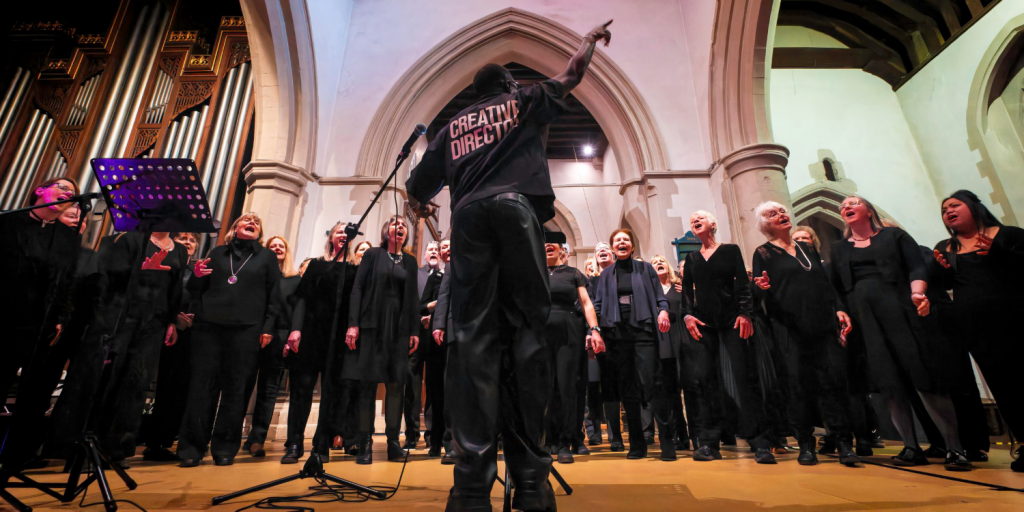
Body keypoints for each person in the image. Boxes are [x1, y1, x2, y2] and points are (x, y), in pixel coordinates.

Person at [405, 18, 613, 511]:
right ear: (508, 85)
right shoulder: (524, 99)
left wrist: (427, 202)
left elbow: (416, 187)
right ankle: (531, 484)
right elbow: (570, 77)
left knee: (473, 341)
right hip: (517, 212)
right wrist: (586, 42)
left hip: (470, 217)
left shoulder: (454, 126)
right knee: (527, 336)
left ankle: (472, 487)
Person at [829, 195, 971, 471]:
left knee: (923, 375)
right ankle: (910, 446)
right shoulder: (837, 249)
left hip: (901, 311)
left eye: (853, 202)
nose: (847, 206)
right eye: (843, 205)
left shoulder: (894, 236)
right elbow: (834, 287)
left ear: (868, 209)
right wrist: (840, 311)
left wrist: (918, 293)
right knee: (888, 382)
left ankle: (954, 447)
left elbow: (917, 266)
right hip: (864, 320)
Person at [48, 229, 186, 468]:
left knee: (134, 384)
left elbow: (174, 289)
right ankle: (78, 447)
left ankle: (115, 448)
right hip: (117, 318)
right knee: (100, 380)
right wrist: (140, 271)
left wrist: (171, 320)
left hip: (152, 323)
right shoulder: (126, 239)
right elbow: (103, 277)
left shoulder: (180, 249)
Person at [750, 201, 859, 466]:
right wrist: (761, 287)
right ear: (766, 224)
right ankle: (806, 444)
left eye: (782, 211)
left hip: (822, 323)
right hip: (788, 328)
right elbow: (757, 295)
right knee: (798, 387)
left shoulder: (806, 247)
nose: (781, 214)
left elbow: (826, 284)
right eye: (773, 214)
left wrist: (839, 309)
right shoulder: (763, 253)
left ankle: (844, 443)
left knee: (831, 383)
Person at [177, 213, 281, 467]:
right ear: (235, 228)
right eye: (247, 220)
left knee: (236, 391)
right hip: (208, 329)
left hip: (247, 331)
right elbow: (194, 291)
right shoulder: (217, 252)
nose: (253, 223)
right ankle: (191, 448)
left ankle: (224, 448)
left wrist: (267, 327)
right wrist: (198, 276)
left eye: (257, 222)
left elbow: (274, 296)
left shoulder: (266, 257)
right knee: (202, 389)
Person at [933, 190, 1023, 472]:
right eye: (944, 208)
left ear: (973, 207)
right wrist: (941, 271)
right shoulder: (946, 247)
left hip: (1017, 321)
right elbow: (948, 284)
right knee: (1004, 388)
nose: (948, 210)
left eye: (955, 205)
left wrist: (999, 253)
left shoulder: (1009, 235)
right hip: (977, 329)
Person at [0, 177, 81, 471]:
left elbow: (65, 281)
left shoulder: (66, 237)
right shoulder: (9, 222)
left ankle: (15, 456)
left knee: (33, 395)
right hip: (5, 315)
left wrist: (60, 317)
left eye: (72, 192)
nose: (68, 193)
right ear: (40, 190)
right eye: (62, 187)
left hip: (39, 323)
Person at [681, 210, 774, 464]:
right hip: (703, 323)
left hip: (733, 319)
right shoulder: (691, 258)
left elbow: (743, 285)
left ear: (713, 223)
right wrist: (687, 316)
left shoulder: (731, 250)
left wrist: (745, 313)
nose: (695, 221)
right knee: (706, 379)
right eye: (692, 220)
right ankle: (710, 443)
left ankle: (760, 442)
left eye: (699, 217)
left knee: (746, 377)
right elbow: (687, 293)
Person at [591, 229, 672, 461]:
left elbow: (660, 297)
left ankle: (667, 443)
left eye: (626, 240)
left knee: (653, 385)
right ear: (613, 247)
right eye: (617, 241)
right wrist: (593, 330)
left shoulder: (645, 268)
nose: (622, 243)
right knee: (628, 390)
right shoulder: (606, 275)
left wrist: (663, 311)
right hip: (616, 336)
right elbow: (597, 305)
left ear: (632, 246)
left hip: (643, 332)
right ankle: (636, 444)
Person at [345, 216, 420, 464]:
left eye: (403, 226)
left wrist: (414, 331)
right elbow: (357, 289)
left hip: (397, 331)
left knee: (396, 386)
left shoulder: (409, 261)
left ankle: (393, 442)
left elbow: (412, 299)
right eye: (394, 224)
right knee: (367, 385)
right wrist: (353, 324)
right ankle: (365, 442)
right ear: (385, 230)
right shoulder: (372, 254)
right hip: (370, 327)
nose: (399, 228)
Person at [282, 222, 359, 463]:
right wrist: (295, 329)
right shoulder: (316, 265)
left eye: (347, 232)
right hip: (311, 333)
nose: (343, 235)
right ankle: (294, 443)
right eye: (339, 231)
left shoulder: (356, 270)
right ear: (331, 237)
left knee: (332, 392)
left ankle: (321, 444)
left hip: (339, 339)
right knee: (301, 389)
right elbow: (302, 299)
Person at [542, 233, 604, 464]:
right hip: (540, 332)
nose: (547, 246)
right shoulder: (535, 271)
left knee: (566, 386)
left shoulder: (573, 273)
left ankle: (564, 442)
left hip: (568, 330)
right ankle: (546, 441)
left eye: (552, 244)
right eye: (544, 244)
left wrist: (595, 329)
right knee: (545, 387)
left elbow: (586, 303)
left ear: (561, 250)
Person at [143, 232, 199, 462]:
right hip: (165, 329)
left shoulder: (199, 270)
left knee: (176, 391)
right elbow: (167, 295)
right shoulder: (167, 265)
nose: (187, 242)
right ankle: (147, 439)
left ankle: (164, 441)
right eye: (182, 238)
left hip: (190, 337)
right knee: (154, 385)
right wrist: (174, 317)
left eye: (192, 239)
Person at [242, 235, 298, 459]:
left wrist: (288, 339)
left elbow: (294, 313)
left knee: (268, 390)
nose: (277, 248)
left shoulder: (294, 280)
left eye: (281, 245)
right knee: (243, 387)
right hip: (252, 334)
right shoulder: (258, 277)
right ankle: (231, 435)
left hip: (278, 338)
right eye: (272, 245)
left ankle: (257, 438)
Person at [403, 241, 444, 450]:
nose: (434, 252)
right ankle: (411, 433)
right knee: (412, 385)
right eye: (431, 250)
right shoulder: (415, 274)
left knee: (434, 386)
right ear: (424, 255)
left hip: (437, 338)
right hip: (415, 335)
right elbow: (409, 302)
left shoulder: (446, 275)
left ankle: (432, 434)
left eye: (437, 250)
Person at [650, 255, 692, 451]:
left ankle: (697, 435)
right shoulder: (651, 291)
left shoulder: (679, 287)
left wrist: (688, 293)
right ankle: (679, 434)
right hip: (663, 341)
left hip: (682, 339)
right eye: (654, 262)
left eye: (661, 261)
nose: (658, 263)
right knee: (671, 392)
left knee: (690, 387)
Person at [422, 238, 451, 458]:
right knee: (436, 390)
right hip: (436, 335)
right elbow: (421, 305)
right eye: (443, 247)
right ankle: (435, 439)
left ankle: (451, 439)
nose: (447, 249)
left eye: (451, 246)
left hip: (456, 334)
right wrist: (436, 306)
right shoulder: (436, 277)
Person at [429, 239, 457, 464]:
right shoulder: (452, 263)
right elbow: (445, 294)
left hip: (484, 328)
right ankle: (451, 443)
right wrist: (439, 324)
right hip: (455, 328)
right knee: (452, 389)